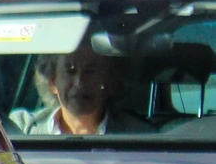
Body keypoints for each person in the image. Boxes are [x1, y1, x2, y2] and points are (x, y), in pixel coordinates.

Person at [11, 45, 150, 137]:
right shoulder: (21, 128)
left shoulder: (140, 136)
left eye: (90, 72)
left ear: (111, 82)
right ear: (52, 81)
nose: (79, 83)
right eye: (70, 71)